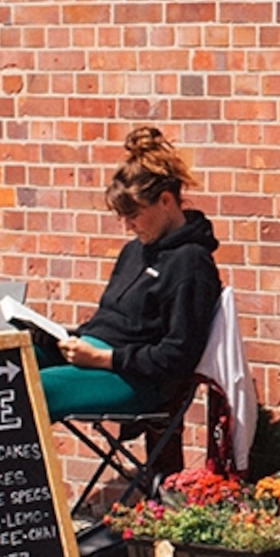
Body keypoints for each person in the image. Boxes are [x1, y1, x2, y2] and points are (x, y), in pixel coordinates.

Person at [33, 124, 224, 432]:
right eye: (123, 217)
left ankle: (11, 477)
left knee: (29, 390)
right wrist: (53, 336)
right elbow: (114, 324)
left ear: (166, 201)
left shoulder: (191, 264)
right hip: (96, 353)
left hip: (137, 380)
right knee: (3, 361)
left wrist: (104, 358)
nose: (128, 226)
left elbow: (176, 356)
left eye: (134, 215)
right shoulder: (134, 252)